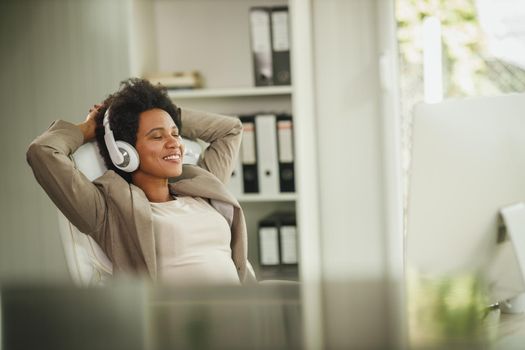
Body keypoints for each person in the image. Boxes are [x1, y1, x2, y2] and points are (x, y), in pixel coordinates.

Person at [27, 78, 257, 286]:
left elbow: (230, 130)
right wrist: (92, 127)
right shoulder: (109, 211)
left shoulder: (199, 185)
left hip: (239, 309)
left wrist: (161, 111)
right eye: (157, 136)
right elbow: (42, 152)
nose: (174, 143)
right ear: (123, 152)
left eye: (175, 134)